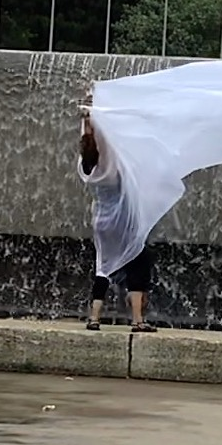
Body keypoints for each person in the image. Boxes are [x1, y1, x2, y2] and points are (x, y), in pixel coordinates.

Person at [79, 101, 158, 333]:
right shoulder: (111, 169)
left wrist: (87, 119)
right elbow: (105, 143)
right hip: (122, 221)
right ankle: (137, 320)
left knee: (102, 266)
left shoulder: (87, 168)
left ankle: (94, 318)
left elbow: (89, 141)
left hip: (101, 222)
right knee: (137, 261)